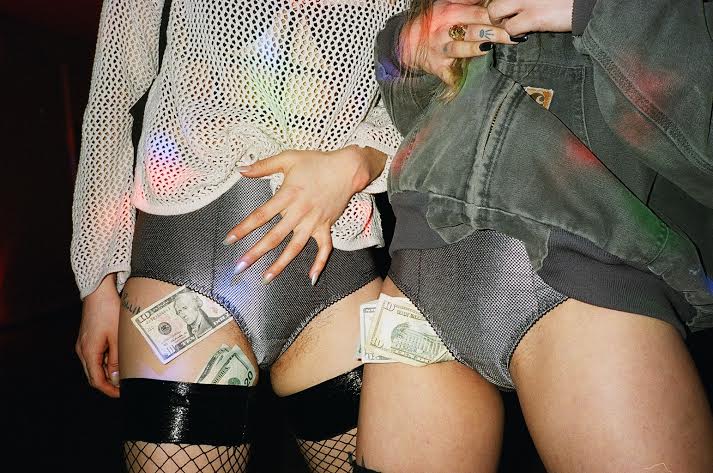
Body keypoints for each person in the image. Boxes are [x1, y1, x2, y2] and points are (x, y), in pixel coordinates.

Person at [355, 0, 713, 471]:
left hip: (591, 278)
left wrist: (595, 8)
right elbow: (415, 124)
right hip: (421, 271)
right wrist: (407, 53)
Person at [72, 0, 407, 471]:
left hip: (338, 266)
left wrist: (361, 160)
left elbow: (430, 98)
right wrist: (97, 277)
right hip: (185, 260)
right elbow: (113, 94)